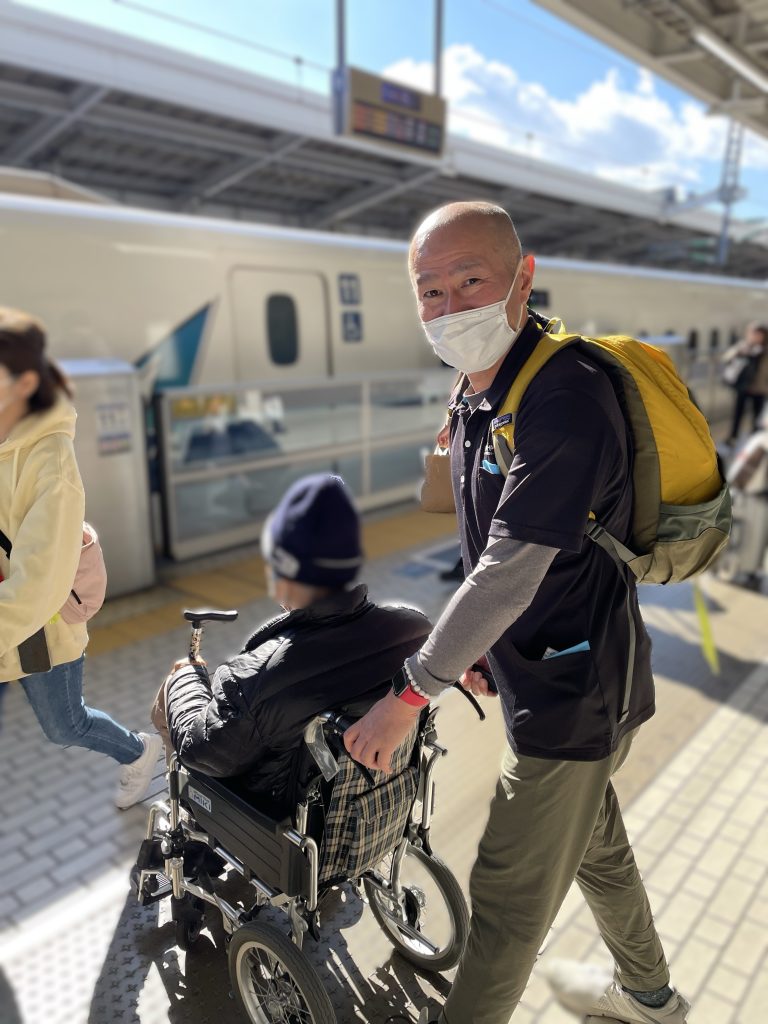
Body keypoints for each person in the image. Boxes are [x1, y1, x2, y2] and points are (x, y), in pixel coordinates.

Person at [344, 202, 690, 1024]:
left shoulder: (564, 394)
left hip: (573, 698)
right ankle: (649, 998)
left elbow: (508, 570)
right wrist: (481, 650)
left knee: (503, 905)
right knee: (596, 846)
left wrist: (409, 695)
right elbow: (489, 540)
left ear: (522, 277)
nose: (449, 306)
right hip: (551, 675)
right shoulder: (478, 389)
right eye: (429, 290)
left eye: (470, 280)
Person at [162, 473, 431, 817]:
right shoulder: (413, 630)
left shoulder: (259, 678)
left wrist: (185, 679)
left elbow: (201, 751)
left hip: (277, 824)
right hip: (372, 810)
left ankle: (183, 824)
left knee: (175, 702)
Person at [0, 307, 161, 809]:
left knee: (64, 725)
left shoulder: (50, 461)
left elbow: (39, 583)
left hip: (37, 630)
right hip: (12, 624)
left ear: (25, 382)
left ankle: (139, 751)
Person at [723, 322, 768, 444]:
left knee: (757, 416)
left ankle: (753, 438)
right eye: (755, 334)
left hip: (760, 388)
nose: (757, 337)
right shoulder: (744, 346)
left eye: (760, 335)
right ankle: (733, 436)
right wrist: (743, 350)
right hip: (743, 387)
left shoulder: (765, 350)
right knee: (738, 414)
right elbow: (726, 357)